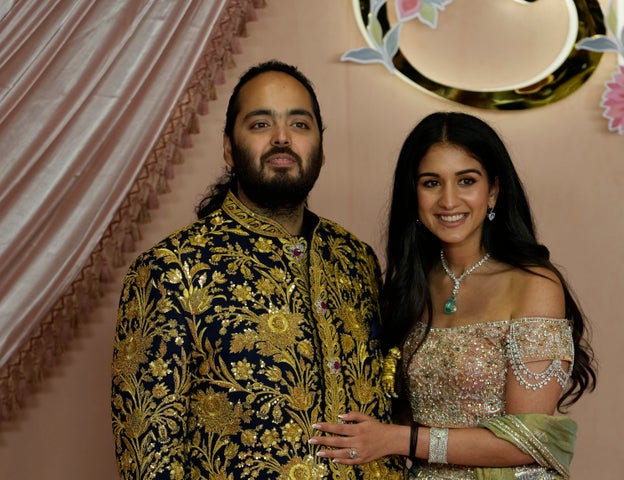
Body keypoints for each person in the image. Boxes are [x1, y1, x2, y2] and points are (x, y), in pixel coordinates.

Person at [111, 60, 404, 480]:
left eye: (300, 124)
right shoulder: (170, 269)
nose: (282, 138)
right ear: (229, 147)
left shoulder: (354, 259)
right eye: (261, 124)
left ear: (321, 146)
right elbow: (148, 458)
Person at [310, 112, 597, 479]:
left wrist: (399, 440)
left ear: (492, 191)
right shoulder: (409, 287)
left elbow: (530, 441)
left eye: (466, 181)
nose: (448, 200)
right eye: (431, 183)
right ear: (412, 194)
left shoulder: (533, 285)